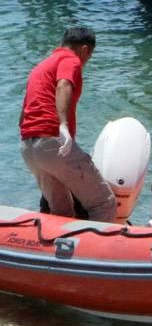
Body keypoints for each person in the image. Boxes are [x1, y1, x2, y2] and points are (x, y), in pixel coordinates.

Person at [18, 27, 115, 222]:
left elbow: (24, 111)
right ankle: (95, 250)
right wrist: (63, 124)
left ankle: (58, 249)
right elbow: (64, 84)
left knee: (61, 212)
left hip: (28, 146)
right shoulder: (70, 60)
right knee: (103, 203)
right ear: (85, 50)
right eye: (89, 56)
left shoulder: (41, 66)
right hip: (51, 142)